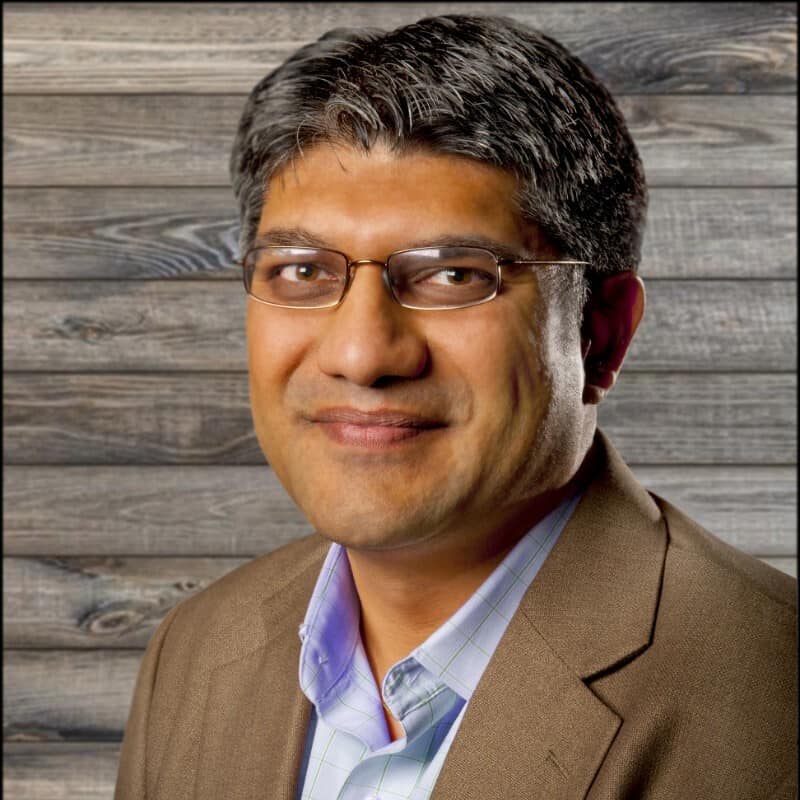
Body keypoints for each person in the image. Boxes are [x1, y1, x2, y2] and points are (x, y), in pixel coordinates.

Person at [114, 14, 796, 800]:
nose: (362, 355)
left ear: (602, 334)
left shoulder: (769, 707)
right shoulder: (195, 652)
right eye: (302, 271)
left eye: (453, 275)